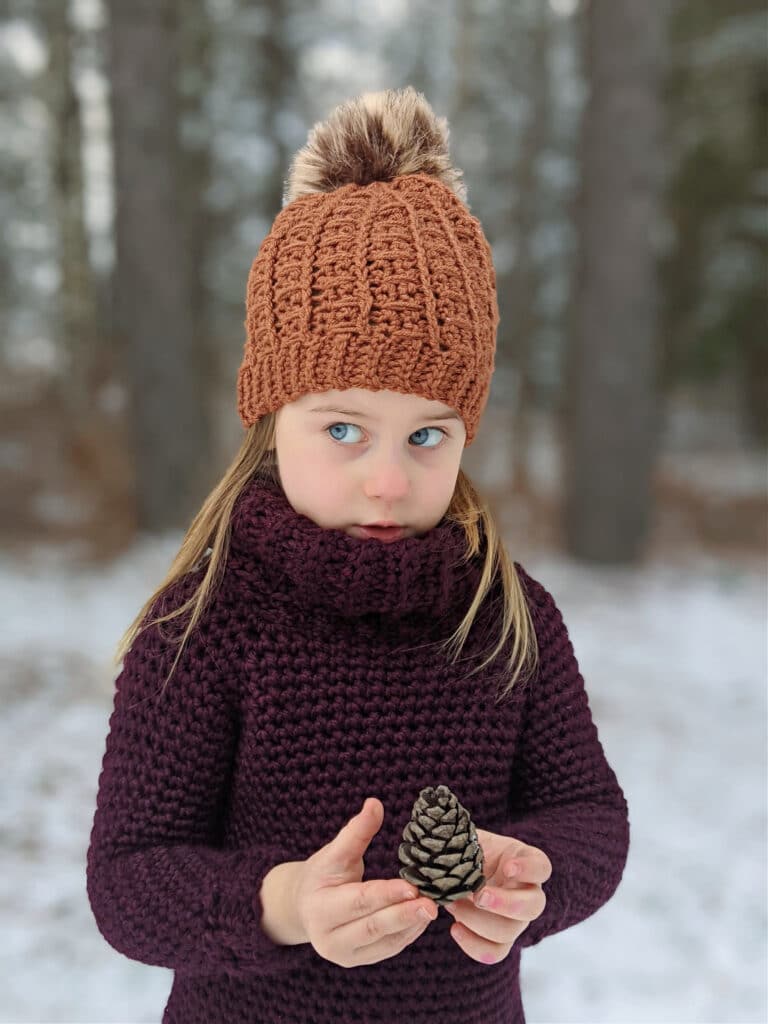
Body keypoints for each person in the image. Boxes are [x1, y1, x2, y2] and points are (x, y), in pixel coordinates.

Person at [86, 86, 630, 1024]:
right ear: (269, 415)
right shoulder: (206, 623)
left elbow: (590, 815)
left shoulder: (504, 617)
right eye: (344, 428)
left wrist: (535, 877)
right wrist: (283, 906)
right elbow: (130, 878)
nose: (388, 480)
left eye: (429, 436)